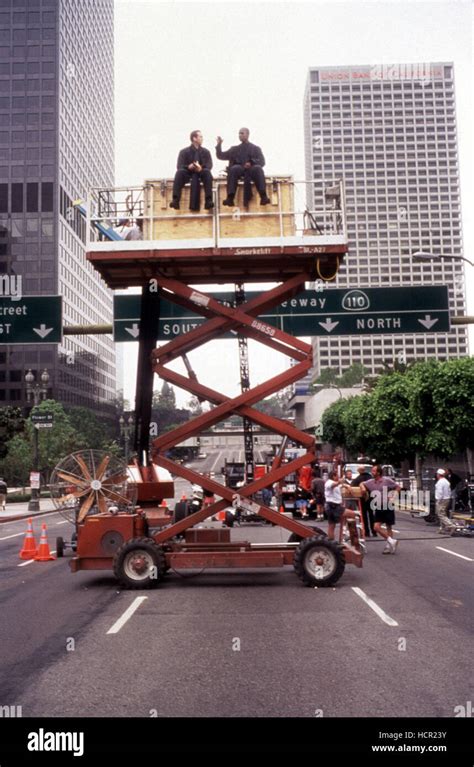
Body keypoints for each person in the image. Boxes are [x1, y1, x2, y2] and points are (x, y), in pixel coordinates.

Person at [216, 128, 270, 207]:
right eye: (239, 133)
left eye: (242, 133)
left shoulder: (255, 148)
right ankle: (230, 198)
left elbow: (262, 161)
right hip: (239, 169)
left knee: (258, 168)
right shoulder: (234, 149)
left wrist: (251, 163)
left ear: (247, 135)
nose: (240, 135)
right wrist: (219, 145)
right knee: (234, 168)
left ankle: (263, 196)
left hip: (252, 169)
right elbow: (220, 156)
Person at [360, 464, 401, 554]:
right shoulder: (371, 482)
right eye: (372, 471)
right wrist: (363, 488)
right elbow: (362, 483)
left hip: (388, 505)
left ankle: (389, 546)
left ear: (378, 473)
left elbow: (398, 487)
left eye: (374, 471)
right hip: (378, 506)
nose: (372, 472)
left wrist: (393, 496)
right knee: (376, 527)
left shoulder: (386, 480)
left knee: (389, 526)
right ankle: (392, 541)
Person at [170, 130, 214, 212]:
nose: (202, 138)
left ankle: (208, 200)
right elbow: (179, 166)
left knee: (207, 172)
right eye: (200, 137)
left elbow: (209, 165)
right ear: (194, 138)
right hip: (188, 172)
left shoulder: (206, 152)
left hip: (201, 172)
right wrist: (188, 167)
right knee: (179, 172)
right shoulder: (184, 152)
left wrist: (201, 167)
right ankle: (175, 200)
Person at [324, 470, 357, 541]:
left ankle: (330, 542)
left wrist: (347, 486)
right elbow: (333, 485)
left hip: (331, 506)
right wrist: (340, 481)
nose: (338, 477)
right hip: (333, 506)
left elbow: (341, 485)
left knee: (331, 525)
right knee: (352, 514)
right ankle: (349, 534)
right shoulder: (329, 482)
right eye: (337, 476)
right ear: (333, 476)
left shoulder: (334, 483)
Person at [351, 465, 376, 537]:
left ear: (358, 471)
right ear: (364, 470)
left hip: (362, 500)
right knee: (371, 515)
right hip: (371, 499)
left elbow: (353, 490)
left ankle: (366, 532)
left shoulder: (357, 479)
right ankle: (374, 532)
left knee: (363, 517)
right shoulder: (371, 478)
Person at [435, 468, 455, 534]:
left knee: (440, 514)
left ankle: (450, 525)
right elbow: (449, 491)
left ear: (438, 475)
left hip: (442, 499)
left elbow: (440, 492)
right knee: (443, 513)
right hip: (447, 499)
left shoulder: (440, 482)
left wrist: (438, 500)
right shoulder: (446, 481)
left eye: (437, 474)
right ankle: (442, 528)